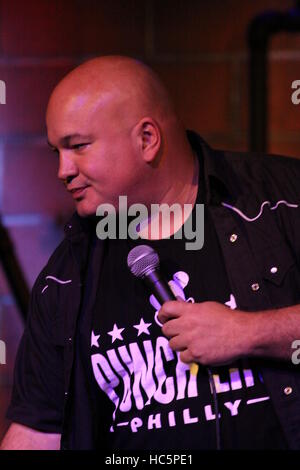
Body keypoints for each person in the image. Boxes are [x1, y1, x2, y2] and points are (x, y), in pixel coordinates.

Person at [1, 55, 300, 450]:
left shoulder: (280, 202)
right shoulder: (67, 274)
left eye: (78, 146)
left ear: (147, 139)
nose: (63, 170)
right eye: (57, 151)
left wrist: (247, 333)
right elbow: (38, 429)